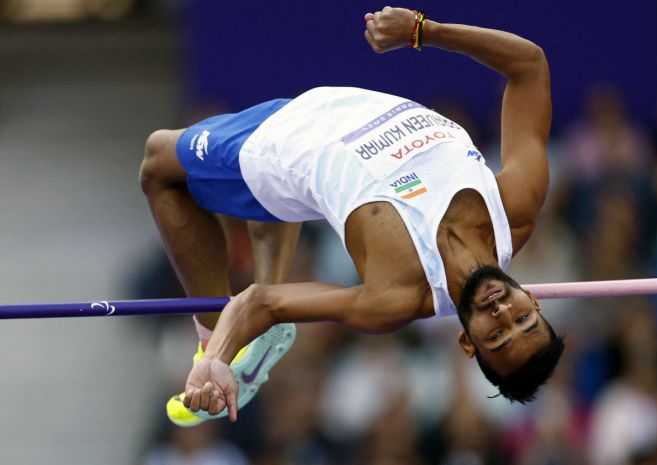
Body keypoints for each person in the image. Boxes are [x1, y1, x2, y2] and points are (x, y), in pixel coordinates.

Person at [139, 7, 565, 424]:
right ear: (534, 300)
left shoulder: (395, 295)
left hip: (286, 141)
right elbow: (529, 65)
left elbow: (260, 303)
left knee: (159, 163)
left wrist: (216, 358)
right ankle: (257, 336)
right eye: (524, 319)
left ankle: (213, 331)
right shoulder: (516, 209)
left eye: (495, 334)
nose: (503, 313)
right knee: (273, 201)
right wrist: (424, 31)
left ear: (467, 342)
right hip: (333, 108)